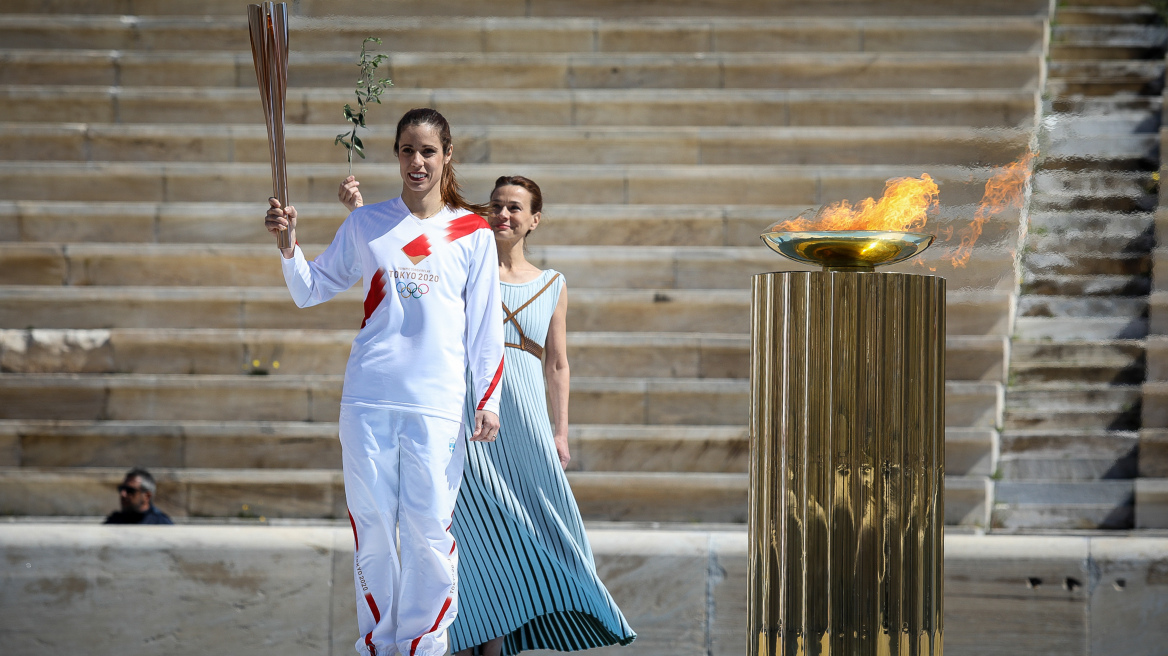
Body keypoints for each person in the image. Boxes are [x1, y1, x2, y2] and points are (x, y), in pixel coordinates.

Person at [339, 175, 635, 656]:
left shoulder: (552, 283)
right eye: (496, 205)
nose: (503, 214)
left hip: (525, 420)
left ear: (535, 220)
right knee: (467, 532)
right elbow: (400, 262)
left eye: (516, 208)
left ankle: (574, 611)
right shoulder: (460, 257)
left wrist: (560, 432)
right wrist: (359, 214)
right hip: (466, 413)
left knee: (541, 526)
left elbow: (558, 364)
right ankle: (464, 641)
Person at [267, 107, 504, 656]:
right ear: (396, 155)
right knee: (372, 529)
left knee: (429, 530)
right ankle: (379, 646)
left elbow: (485, 326)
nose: (417, 162)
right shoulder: (367, 223)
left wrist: (488, 399)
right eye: (407, 150)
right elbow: (311, 289)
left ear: (447, 156)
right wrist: (288, 244)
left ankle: (424, 647)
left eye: (428, 151)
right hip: (369, 398)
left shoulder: (473, 233)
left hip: (437, 403)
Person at [103, 467, 173, 525]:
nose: (123, 494)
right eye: (121, 489)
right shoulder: (114, 522)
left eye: (130, 490)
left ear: (147, 496)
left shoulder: (160, 524)